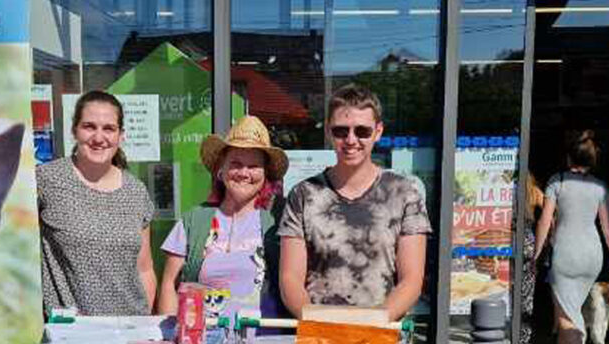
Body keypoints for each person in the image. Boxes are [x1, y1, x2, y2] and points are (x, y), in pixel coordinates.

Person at [278, 83, 431, 321]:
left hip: (382, 339)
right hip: (320, 339)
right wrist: (318, 324)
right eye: (341, 131)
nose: (351, 140)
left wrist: (371, 324)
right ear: (328, 131)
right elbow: (290, 279)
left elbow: (411, 281)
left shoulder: (404, 193)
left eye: (362, 131)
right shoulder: (303, 195)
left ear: (378, 131)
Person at [156, 115, 288, 321]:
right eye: (236, 163)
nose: (244, 173)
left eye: (253, 166)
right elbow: (168, 285)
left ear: (265, 174)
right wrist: (170, 336)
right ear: (221, 168)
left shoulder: (279, 219)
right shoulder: (193, 221)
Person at [37, 91, 157, 316]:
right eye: (89, 126)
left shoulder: (136, 191)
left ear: (121, 136)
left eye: (109, 128)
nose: (99, 138)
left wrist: (142, 324)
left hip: (129, 332)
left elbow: (145, 269)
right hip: (71, 334)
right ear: (74, 131)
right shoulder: (46, 180)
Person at [534, 130, 609, 344]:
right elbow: (608, 228)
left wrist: (537, 254)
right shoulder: (599, 187)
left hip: (566, 253)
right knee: (572, 309)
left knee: (564, 315)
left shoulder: (556, 181)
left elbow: (544, 221)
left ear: (567, 156)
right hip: (592, 256)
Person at [520, 174, 545, 344]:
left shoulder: (508, 189)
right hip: (528, 242)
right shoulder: (534, 192)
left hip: (506, 239)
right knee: (526, 295)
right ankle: (523, 340)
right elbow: (552, 211)